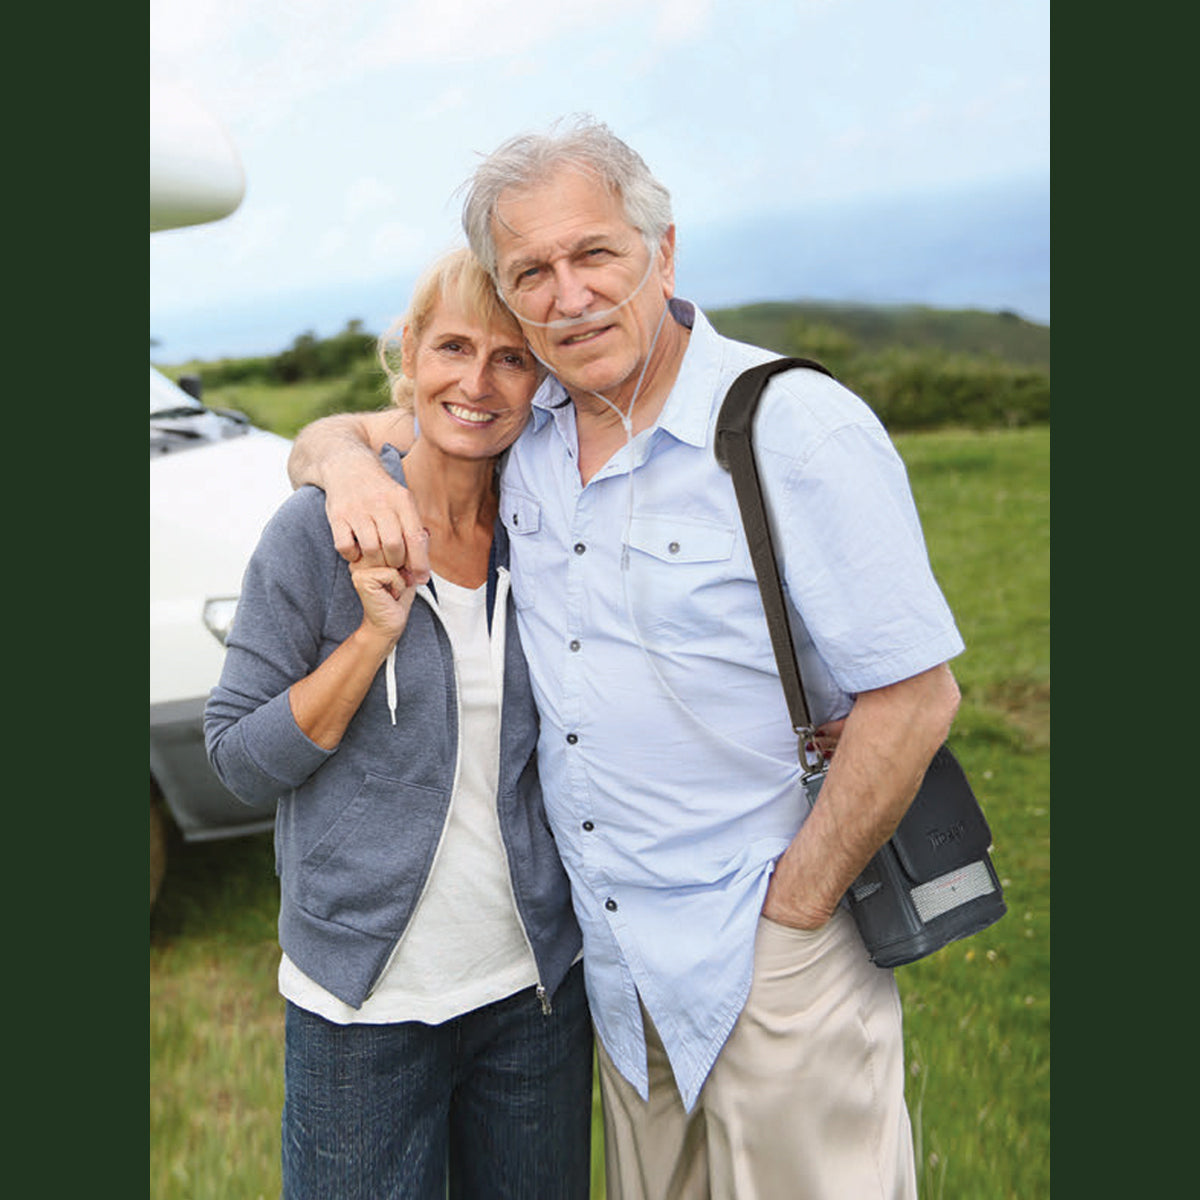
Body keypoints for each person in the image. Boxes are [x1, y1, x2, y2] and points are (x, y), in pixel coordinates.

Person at [287, 117, 964, 1200]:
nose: (569, 295)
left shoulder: (795, 429)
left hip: (770, 956)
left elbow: (919, 697)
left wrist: (793, 912)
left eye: (595, 253)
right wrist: (341, 467)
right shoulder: (534, 426)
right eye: (532, 273)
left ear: (664, 253)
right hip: (617, 979)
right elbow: (364, 427)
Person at [203, 248, 593, 1200]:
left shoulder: (547, 523)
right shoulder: (314, 533)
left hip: (531, 995)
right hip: (361, 1005)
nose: (476, 381)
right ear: (409, 354)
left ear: (539, 379)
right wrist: (371, 637)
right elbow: (238, 762)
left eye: (511, 358)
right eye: (453, 347)